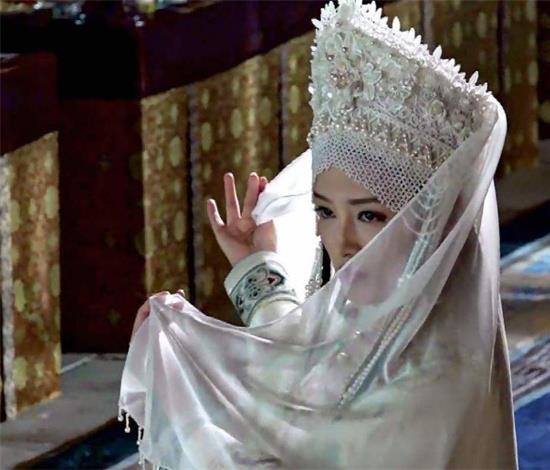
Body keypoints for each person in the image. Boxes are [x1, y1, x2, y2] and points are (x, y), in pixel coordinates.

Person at [121, 0, 517, 467]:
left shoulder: (437, 377)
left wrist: (183, 398)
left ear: (431, 224)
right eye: (325, 211)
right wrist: (256, 268)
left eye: (370, 216)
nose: (342, 243)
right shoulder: (381, 320)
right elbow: (302, 382)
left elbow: (292, 438)